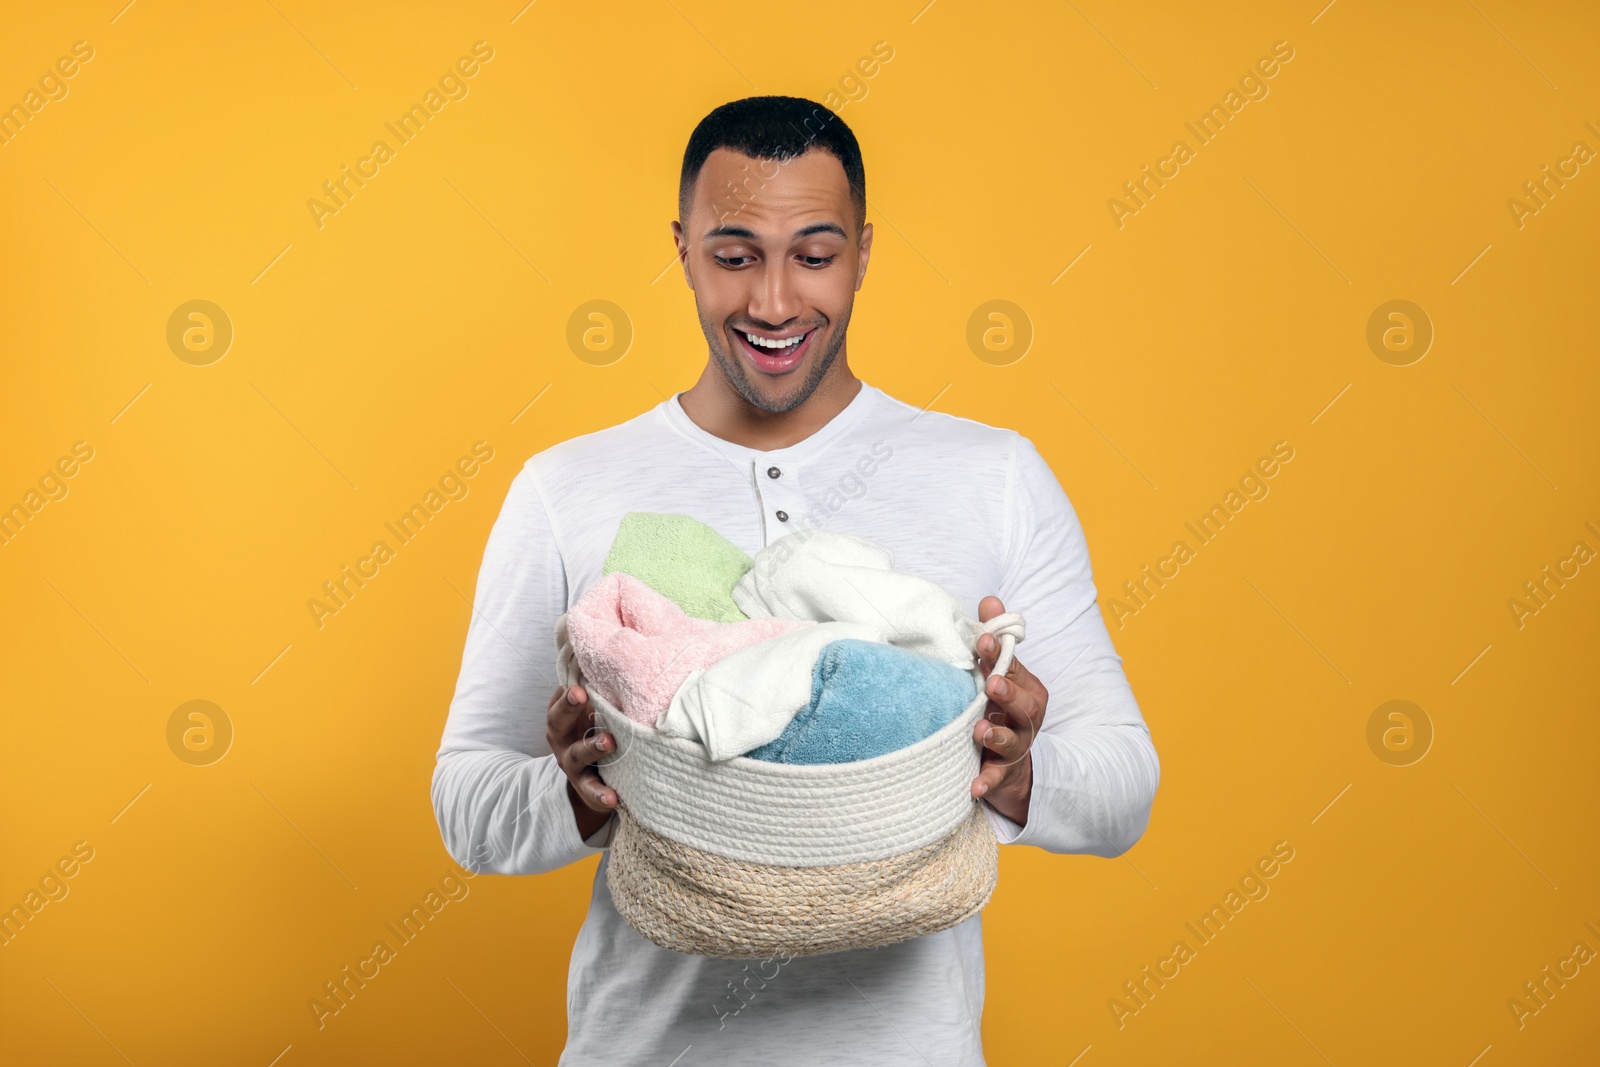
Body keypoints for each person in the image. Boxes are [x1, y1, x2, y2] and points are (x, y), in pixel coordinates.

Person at [432, 95, 1160, 1066]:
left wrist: (1010, 764)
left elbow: (1124, 789)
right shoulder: (567, 489)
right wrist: (584, 786)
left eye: (813, 255)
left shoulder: (992, 475)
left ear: (862, 252)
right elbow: (466, 805)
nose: (773, 302)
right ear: (682, 248)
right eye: (735, 255)